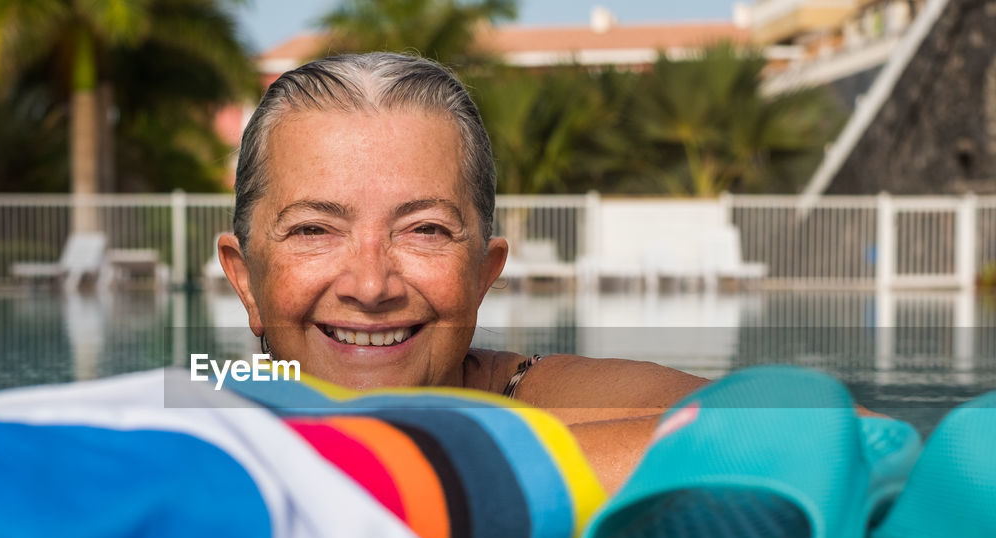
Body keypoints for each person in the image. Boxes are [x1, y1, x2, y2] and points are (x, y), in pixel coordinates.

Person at [216, 52, 707, 492]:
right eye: (313, 230)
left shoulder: (534, 399)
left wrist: (405, 490)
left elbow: (767, 431)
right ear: (245, 281)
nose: (370, 286)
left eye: (424, 230)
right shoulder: (199, 417)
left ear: (482, 275)